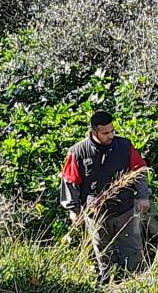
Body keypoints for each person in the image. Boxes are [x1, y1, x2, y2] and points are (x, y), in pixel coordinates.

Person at [59, 110, 151, 275]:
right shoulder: (77, 152)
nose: (110, 135)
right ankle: (107, 281)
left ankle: (137, 281)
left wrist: (144, 196)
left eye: (112, 131)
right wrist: (74, 209)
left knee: (133, 250)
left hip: (125, 208)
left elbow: (140, 170)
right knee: (102, 252)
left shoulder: (124, 146)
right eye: (105, 133)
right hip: (95, 212)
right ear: (94, 132)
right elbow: (70, 181)